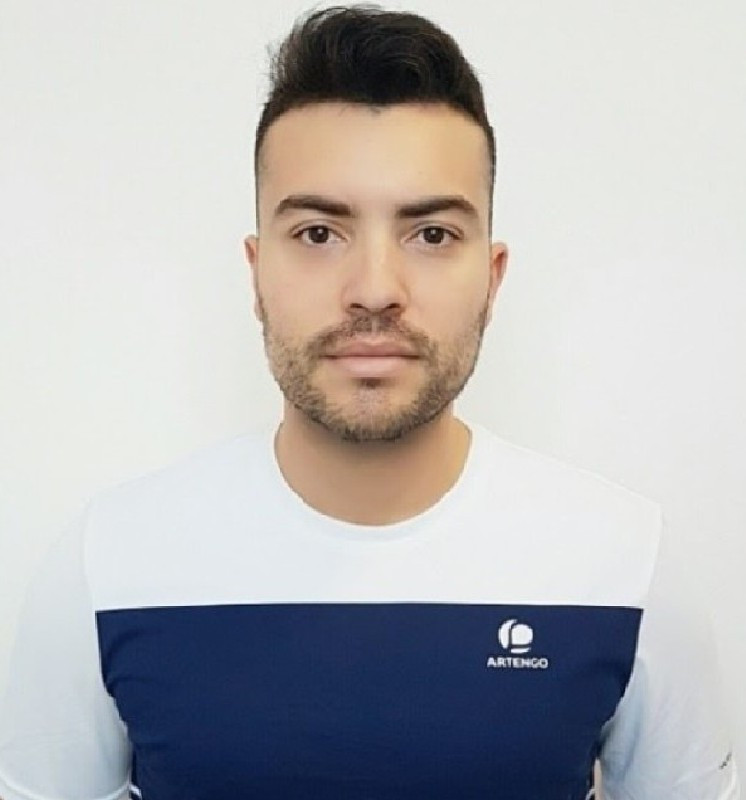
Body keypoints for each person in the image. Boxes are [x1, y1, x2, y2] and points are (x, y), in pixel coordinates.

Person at [0, 5, 739, 799]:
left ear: (492, 278)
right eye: (319, 233)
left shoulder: (626, 566)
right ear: (256, 272)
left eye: (432, 234)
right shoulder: (109, 566)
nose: (376, 289)